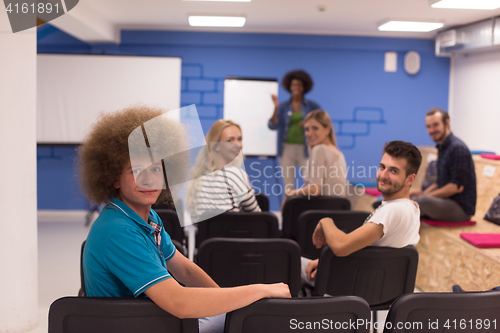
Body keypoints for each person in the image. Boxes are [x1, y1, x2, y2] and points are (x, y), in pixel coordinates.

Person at [79, 106, 290, 333]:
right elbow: (179, 303)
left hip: (148, 319)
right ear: (114, 179)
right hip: (136, 326)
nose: (149, 180)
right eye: (136, 171)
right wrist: (260, 291)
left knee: (242, 317)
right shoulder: (119, 232)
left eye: (156, 169)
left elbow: (186, 271)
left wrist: (229, 307)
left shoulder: (146, 216)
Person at [303, 141, 422, 283]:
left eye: (393, 171)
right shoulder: (413, 208)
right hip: (374, 284)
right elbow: (370, 253)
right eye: (382, 167)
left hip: (349, 286)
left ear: (410, 179)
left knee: (288, 262)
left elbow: (341, 246)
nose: (383, 175)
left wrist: (325, 221)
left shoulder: (392, 211)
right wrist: (325, 260)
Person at [186, 119, 261, 223]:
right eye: (230, 140)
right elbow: (258, 218)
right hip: (233, 237)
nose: (238, 145)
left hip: (206, 239)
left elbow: (197, 223)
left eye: (239, 139)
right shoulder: (236, 175)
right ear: (216, 146)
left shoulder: (196, 176)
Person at [411, 108, 477, 222]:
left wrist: (424, 197)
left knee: (423, 202)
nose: (431, 130)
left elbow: (456, 187)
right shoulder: (442, 148)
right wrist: (423, 193)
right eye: (428, 126)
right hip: (444, 202)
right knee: (414, 198)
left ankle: (390, 215)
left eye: (435, 125)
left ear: (447, 123)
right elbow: (440, 182)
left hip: (460, 209)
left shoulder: (458, 148)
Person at [268, 70, 321, 192]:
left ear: (304, 87)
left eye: (299, 85)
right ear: (289, 87)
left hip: (306, 149)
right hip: (286, 149)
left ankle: (309, 209)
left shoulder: (312, 106)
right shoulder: (283, 106)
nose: (296, 88)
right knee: (288, 185)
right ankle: (289, 208)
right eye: (293, 85)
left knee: (310, 182)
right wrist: (276, 107)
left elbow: (322, 124)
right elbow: (272, 126)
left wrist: (309, 125)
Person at [283, 110, 347, 206]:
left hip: (321, 212)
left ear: (327, 130)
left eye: (315, 128)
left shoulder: (319, 149)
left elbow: (314, 190)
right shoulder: (339, 153)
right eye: (307, 129)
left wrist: (290, 193)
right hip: (336, 212)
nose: (309, 133)